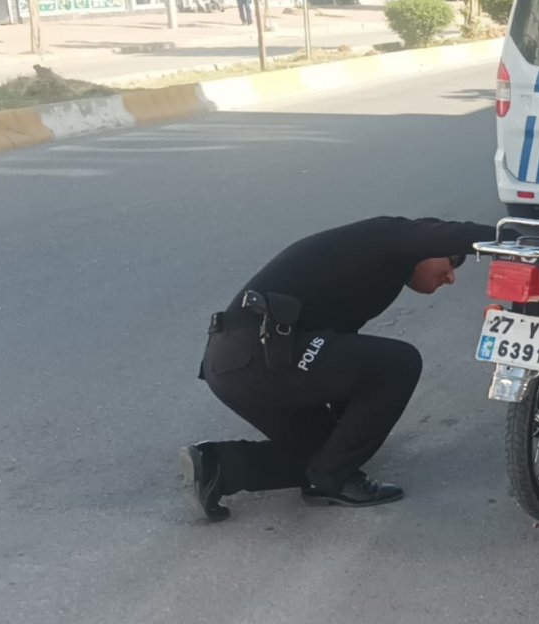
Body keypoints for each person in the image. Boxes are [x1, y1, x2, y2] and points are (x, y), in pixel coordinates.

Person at [182, 216, 496, 522]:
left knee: (326, 453)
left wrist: (350, 434)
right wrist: (524, 237)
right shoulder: (389, 236)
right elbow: (447, 232)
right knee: (400, 363)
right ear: (428, 244)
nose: (451, 276)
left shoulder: (377, 277)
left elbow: (346, 363)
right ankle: (334, 480)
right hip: (259, 356)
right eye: (452, 262)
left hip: (236, 365)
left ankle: (216, 466)